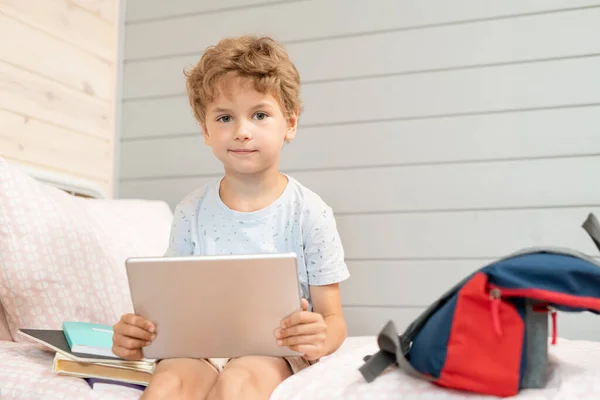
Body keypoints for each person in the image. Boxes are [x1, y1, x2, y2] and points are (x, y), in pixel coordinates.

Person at [111, 35, 350, 400]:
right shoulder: (191, 211)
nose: (242, 131)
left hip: (274, 349)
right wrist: (139, 334)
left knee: (239, 384)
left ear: (290, 123)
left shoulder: (310, 213)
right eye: (225, 117)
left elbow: (334, 320)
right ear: (206, 130)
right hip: (199, 345)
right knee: (167, 385)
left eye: (259, 114)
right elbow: (171, 303)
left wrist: (320, 336)